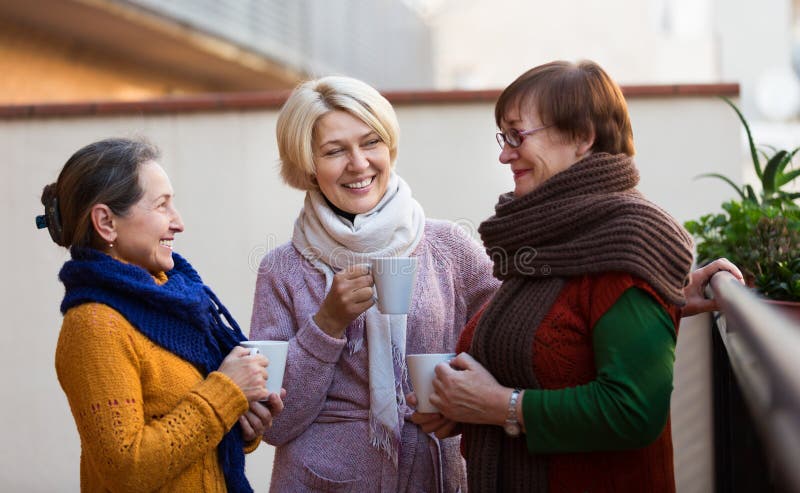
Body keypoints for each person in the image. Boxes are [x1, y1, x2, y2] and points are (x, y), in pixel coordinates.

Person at [409, 60, 742, 493]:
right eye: (503, 137)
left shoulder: (626, 241)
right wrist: (461, 408)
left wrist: (500, 406)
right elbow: (545, 357)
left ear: (582, 137)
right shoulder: (550, 242)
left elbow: (633, 411)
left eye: (517, 135)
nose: (505, 153)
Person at [249, 76, 500, 492]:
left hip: (433, 476)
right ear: (308, 166)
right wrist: (327, 323)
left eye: (370, 143)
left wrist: (461, 400)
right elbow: (277, 424)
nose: (359, 163)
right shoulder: (281, 268)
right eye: (334, 151)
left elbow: (507, 341)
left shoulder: (448, 246)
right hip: (319, 481)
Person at [38, 138, 284, 492]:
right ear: (106, 222)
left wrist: (240, 419)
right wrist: (226, 392)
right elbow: (127, 469)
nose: (178, 222)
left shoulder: (177, 304)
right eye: (162, 206)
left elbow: (190, 433)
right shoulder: (94, 326)